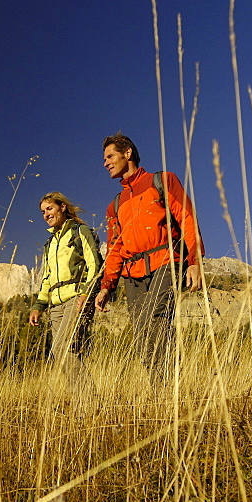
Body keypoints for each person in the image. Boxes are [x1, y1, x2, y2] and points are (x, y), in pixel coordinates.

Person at [93, 133, 203, 382]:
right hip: (133, 277)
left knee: (158, 322)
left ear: (127, 153)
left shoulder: (162, 181)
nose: (105, 163)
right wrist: (106, 286)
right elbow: (114, 249)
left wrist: (194, 261)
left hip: (166, 263)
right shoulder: (115, 205)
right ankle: (160, 392)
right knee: (142, 334)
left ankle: (169, 391)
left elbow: (187, 218)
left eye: (110, 156)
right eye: (105, 158)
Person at [28, 191, 103, 364]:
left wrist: (86, 293)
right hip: (55, 306)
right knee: (64, 353)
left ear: (62, 207)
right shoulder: (50, 244)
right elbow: (47, 278)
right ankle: (83, 392)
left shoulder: (80, 231)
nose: (46, 215)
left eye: (49, 209)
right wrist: (39, 305)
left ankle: (86, 392)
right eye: (43, 212)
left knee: (62, 347)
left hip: (76, 299)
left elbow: (94, 264)